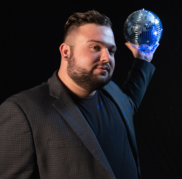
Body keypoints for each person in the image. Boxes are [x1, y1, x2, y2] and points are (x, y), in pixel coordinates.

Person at [0, 10, 158, 179]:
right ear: (66, 52)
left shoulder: (111, 91)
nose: (106, 57)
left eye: (111, 51)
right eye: (95, 47)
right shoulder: (22, 112)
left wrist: (143, 60)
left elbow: (129, 105)